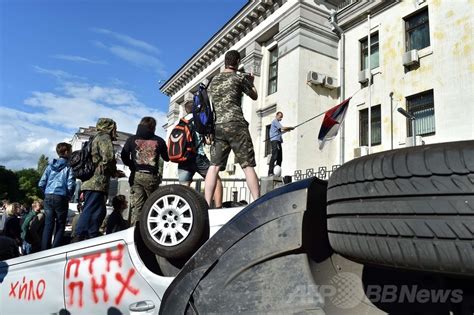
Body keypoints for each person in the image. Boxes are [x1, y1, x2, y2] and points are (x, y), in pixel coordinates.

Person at [205, 50, 259, 206]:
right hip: (236, 124)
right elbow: (254, 95)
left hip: (218, 127)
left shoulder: (213, 80)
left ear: (225, 62)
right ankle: (257, 202)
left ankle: (206, 204)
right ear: (237, 62)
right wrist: (251, 82)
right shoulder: (239, 77)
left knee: (214, 167)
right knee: (247, 165)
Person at [73, 118, 125, 242]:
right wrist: (114, 172)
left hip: (91, 182)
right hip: (97, 182)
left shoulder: (94, 138)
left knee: (99, 211)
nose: (115, 131)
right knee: (91, 209)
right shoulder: (104, 137)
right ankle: (79, 235)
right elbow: (108, 156)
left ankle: (91, 234)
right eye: (114, 128)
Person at [121, 117, 169, 225]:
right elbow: (167, 158)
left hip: (136, 176)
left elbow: (123, 155)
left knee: (137, 207)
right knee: (153, 205)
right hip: (151, 177)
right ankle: (149, 230)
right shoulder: (159, 140)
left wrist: (131, 165)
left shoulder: (131, 139)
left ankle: (134, 232)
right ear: (153, 127)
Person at [177, 98, 223, 208]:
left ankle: (184, 210)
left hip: (183, 157)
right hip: (197, 155)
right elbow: (208, 141)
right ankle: (218, 208)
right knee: (215, 179)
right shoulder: (198, 119)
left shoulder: (181, 122)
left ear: (186, 110)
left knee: (184, 186)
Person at [39, 142, 76, 249]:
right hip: (61, 196)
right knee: (60, 225)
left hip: (48, 196)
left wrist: (47, 192)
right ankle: (55, 249)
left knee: (48, 224)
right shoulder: (69, 167)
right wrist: (68, 195)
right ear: (66, 152)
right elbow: (71, 185)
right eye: (71, 151)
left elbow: (41, 183)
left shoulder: (49, 166)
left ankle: (44, 250)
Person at [268, 112, 294, 176]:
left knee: (280, 158)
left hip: (278, 141)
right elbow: (282, 128)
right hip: (275, 141)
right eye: (280, 116)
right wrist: (289, 128)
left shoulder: (277, 124)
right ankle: (270, 172)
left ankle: (277, 172)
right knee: (275, 156)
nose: (281, 118)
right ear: (276, 116)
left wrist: (287, 130)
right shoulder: (275, 121)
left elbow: (280, 132)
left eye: (281, 117)